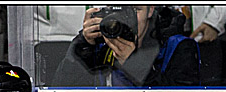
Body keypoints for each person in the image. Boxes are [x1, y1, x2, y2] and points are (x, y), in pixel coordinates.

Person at [53, 5, 200, 87]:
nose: (127, 20)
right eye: (120, 10)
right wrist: (83, 45)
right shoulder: (99, 45)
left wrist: (133, 62)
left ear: (150, 10)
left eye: (135, 10)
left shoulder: (178, 46)